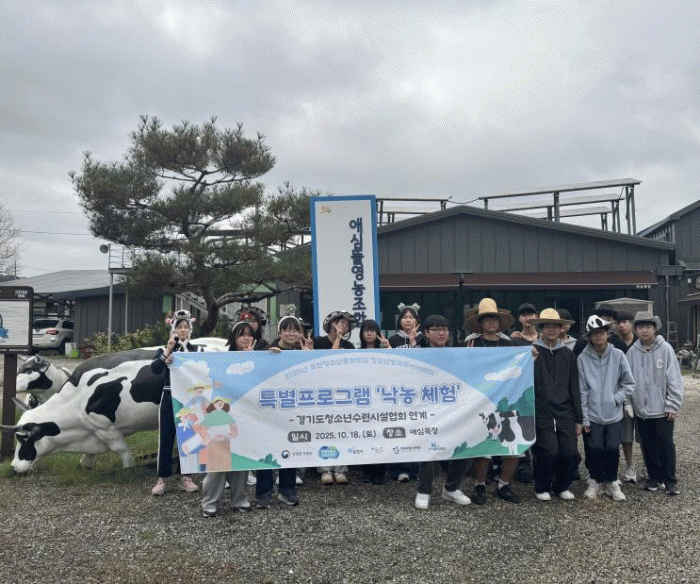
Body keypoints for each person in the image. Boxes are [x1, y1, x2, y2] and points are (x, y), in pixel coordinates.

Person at [463, 298, 521, 504]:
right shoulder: (470, 343)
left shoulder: (509, 344)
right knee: (483, 445)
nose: (491, 322)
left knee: (513, 443)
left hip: (507, 399)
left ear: (499, 322)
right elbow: (464, 370)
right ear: (480, 323)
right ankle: (480, 485)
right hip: (481, 400)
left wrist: (530, 355)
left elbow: (519, 367)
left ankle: (504, 484)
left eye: (494, 319)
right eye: (486, 319)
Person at [414, 314, 471, 509]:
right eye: (436, 329)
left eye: (444, 329)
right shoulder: (417, 355)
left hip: (454, 410)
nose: (441, 333)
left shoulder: (457, 354)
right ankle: (423, 491)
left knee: (464, 449)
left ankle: (451, 489)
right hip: (428, 411)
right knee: (430, 452)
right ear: (426, 333)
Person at [255, 313, 312, 507]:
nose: (291, 333)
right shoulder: (266, 350)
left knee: (290, 448)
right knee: (266, 450)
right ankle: (263, 493)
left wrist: (308, 357)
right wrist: (268, 357)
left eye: (295, 330)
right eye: (287, 330)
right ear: (279, 332)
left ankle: (287, 491)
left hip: (292, 410)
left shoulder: (302, 352)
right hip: (269, 410)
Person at [578, 315, 635, 501]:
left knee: (612, 449)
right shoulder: (582, 358)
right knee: (594, 448)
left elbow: (629, 383)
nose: (599, 336)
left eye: (602, 332)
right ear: (589, 337)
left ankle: (612, 482)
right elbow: (582, 390)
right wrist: (585, 417)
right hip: (593, 414)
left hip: (614, 413)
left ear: (608, 334)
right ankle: (594, 481)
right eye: (594, 333)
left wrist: (616, 399)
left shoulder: (618, 355)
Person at [200, 320, 253, 517]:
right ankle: (210, 503)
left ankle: (239, 499)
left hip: (245, 416)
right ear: (233, 337)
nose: (246, 338)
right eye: (241, 334)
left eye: (249, 334)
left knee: (240, 459)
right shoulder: (221, 359)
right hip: (221, 416)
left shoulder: (257, 357)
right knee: (218, 459)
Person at [627, 311, 683, 495]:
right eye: (640, 327)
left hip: (662, 408)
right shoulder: (632, 352)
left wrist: (672, 404)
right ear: (635, 330)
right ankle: (654, 477)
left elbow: (674, 378)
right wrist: (629, 404)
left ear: (655, 328)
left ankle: (670, 480)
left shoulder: (665, 349)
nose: (644, 330)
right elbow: (627, 380)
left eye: (648, 326)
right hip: (641, 410)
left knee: (665, 442)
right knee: (647, 443)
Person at [151, 309, 204, 496]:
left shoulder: (197, 350)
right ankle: (162, 478)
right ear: (173, 328)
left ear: (190, 329)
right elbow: (155, 369)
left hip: (189, 399)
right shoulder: (164, 349)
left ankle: (186, 476)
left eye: (186, 327)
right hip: (169, 395)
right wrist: (168, 351)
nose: (183, 330)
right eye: (179, 327)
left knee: (188, 436)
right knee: (166, 438)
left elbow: (204, 371)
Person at [531, 309, 581, 501]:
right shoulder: (532, 352)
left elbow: (574, 386)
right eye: (547, 326)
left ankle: (562, 486)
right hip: (542, 410)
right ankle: (542, 486)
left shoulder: (568, 354)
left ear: (561, 329)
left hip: (565, 411)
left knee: (570, 453)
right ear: (541, 329)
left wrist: (579, 418)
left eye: (555, 326)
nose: (551, 330)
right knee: (549, 451)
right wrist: (529, 359)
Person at [314, 310, 356, 483]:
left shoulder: (350, 346)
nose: (344, 326)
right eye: (341, 322)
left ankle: (340, 470)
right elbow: (329, 362)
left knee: (342, 430)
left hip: (342, 394)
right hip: (321, 394)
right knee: (323, 431)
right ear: (332, 323)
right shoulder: (318, 342)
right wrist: (337, 339)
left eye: (347, 324)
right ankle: (325, 470)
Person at [387, 305, 423, 481]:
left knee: (416, 429)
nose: (408, 320)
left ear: (417, 320)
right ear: (399, 321)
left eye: (411, 317)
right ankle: (399, 469)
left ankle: (415, 468)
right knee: (399, 429)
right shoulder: (393, 339)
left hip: (419, 390)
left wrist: (414, 341)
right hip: (398, 390)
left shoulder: (423, 338)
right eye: (404, 317)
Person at [358, 319, 390, 484]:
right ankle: (367, 471)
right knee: (365, 435)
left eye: (372, 330)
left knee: (380, 436)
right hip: (363, 400)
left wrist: (388, 347)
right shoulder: (355, 353)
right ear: (361, 334)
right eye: (366, 330)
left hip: (381, 400)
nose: (369, 333)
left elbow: (397, 367)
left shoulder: (384, 351)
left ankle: (380, 472)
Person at [615, 311, 639, 483]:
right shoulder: (613, 344)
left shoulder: (640, 342)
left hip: (642, 393)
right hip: (623, 394)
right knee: (626, 435)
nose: (622, 325)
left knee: (645, 435)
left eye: (625, 321)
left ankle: (649, 466)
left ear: (632, 323)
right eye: (619, 322)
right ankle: (630, 466)